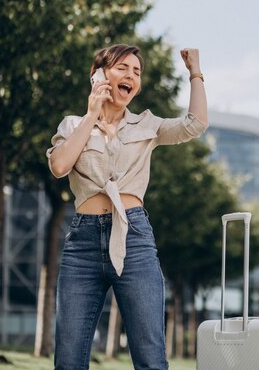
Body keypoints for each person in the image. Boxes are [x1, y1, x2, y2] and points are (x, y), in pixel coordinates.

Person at [47, 44, 208, 370]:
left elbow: (195, 124)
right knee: (68, 360)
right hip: (82, 245)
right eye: (123, 67)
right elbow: (59, 166)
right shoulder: (73, 125)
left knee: (150, 357)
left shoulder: (147, 126)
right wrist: (92, 115)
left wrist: (195, 72)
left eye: (137, 72)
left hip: (133, 237)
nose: (131, 76)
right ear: (99, 75)